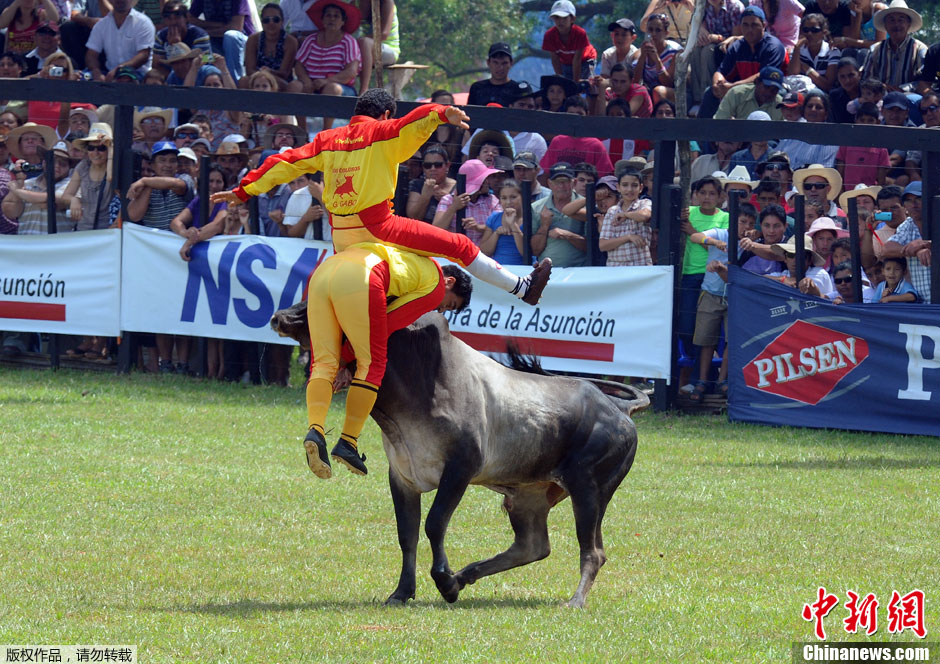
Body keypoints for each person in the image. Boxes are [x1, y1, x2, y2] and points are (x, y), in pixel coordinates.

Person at [212, 89, 551, 304]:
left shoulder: (327, 139)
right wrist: (440, 112)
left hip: (340, 238)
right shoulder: (382, 132)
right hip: (377, 227)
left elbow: (284, 162)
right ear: (386, 114)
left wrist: (244, 190)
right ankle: (521, 288)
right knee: (458, 248)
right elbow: (410, 124)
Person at [301, 244, 472, 478]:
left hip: (324, 272)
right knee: (372, 363)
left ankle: (315, 430)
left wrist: (342, 363)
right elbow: (387, 324)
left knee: (323, 363)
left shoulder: (413, 259)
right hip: (359, 278)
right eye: (449, 304)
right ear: (449, 282)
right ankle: (348, 441)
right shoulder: (432, 286)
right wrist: (349, 360)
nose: (441, 310)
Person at [686, 204, 756, 400]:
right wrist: (713, 242)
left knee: (730, 340)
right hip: (710, 293)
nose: (746, 227)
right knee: (706, 340)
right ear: (733, 221)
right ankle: (702, 381)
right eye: (742, 222)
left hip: (735, 295)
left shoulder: (750, 243)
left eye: (750, 224)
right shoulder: (720, 234)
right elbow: (694, 237)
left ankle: (723, 381)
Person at [698, 6, 785, 119]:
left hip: (770, 87)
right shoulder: (737, 46)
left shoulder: (773, 46)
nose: (749, 29)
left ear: (763, 25)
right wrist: (717, 85)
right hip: (742, 89)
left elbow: (763, 75)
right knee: (710, 92)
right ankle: (702, 133)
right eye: (745, 25)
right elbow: (721, 71)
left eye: (754, 25)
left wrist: (731, 87)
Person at [433, 158, 501, 245]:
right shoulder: (448, 200)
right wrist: (454, 207)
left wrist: (478, 227)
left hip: (483, 254)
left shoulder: (492, 200)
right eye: (484, 179)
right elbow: (436, 230)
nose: (487, 182)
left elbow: (500, 225)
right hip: (454, 253)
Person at [862, 0, 925, 92]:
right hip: (880, 97)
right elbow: (866, 78)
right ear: (885, 25)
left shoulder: (920, 49)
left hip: (909, 97)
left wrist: (901, 89)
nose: (896, 25)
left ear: (908, 24)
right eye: (891, 20)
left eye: (901, 20)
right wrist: (881, 87)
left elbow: (924, 81)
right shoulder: (875, 49)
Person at [531, 162, 586, 268]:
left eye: (565, 181)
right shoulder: (536, 207)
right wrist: (544, 226)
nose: (561, 186)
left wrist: (567, 235)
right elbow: (535, 251)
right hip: (547, 272)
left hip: (579, 272)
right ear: (549, 183)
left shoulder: (585, 205)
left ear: (573, 183)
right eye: (557, 182)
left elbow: (591, 246)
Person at [61, 122, 114, 231]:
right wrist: (74, 200)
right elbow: (66, 195)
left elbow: (110, 178)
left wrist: (111, 150)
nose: (95, 153)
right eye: (91, 148)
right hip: (83, 228)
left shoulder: (115, 166)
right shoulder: (83, 166)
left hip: (109, 229)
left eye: (101, 148)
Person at [85, 0, 154, 82]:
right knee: (80, 77)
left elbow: (144, 55)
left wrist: (119, 69)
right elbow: (91, 54)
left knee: (124, 79)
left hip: (138, 73)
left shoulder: (144, 23)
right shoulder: (101, 25)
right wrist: (96, 71)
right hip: (110, 73)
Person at [188, 0, 256, 81]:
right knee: (203, 50)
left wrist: (206, 31)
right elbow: (189, 18)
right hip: (215, 41)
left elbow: (236, 27)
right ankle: (211, 81)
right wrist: (214, 25)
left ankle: (235, 82)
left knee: (230, 36)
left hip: (242, 43)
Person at [599, 169, 652, 266]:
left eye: (634, 185)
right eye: (625, 185)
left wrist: (625, 214)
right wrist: (628, 237)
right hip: (615, 268)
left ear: (641, 188)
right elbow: (603, 245)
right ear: (618, 187)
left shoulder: (644, 203)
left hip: (640, 266)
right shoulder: (612, 211)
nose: (629, 189)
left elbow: (644, 216)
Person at [240, 2, 298, 91]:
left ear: (282, 21)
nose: (271, 23)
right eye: (266, 20)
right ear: (262, 22)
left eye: (275, 19)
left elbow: (285, 73)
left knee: (294, 86)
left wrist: (269, 73)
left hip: (280, 80)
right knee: (243, 81)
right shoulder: (253, 40)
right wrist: (261, 76)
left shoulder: (290, 42)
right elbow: (249, 70)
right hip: (256, 78)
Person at [835, 103, 889, 189]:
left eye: (870, 121)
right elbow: (839, 174)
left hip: (869, 196)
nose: (865, 124)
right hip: (847, 194)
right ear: (856, 121)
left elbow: (881, 181)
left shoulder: (881, 148)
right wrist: (840, 194)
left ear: (878, 122)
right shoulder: (846, 144)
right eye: (862, 120)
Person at [542, 0, 596, 83]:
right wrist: (561, 81)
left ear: (572, 19)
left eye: (564, 17)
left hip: (586, 60)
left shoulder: (580, 33)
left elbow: (577, 59)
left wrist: (576, 82)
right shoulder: (549, 35)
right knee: (565, 86)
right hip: (566, 62)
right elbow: (555, 60)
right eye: (557, 17)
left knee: (585, 85)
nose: (560, 21)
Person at [153, 0, 211, 73]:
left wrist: (177, 45)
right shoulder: (161, 35)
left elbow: (201, 61)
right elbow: (156, 64)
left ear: (186, 18)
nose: (173, 22)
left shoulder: (200, 35)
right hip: (172, 74)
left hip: (201, 72)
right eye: (169, 18)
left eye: (177, 18)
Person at [633, 12, 679, 103]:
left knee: (658, 91)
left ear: (666, 33)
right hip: (649, 91)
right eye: (650, 29)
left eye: (658, 30)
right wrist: (642, 57)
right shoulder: (639, 53)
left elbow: (669, 83)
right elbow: (635, 82)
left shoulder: (675, 52)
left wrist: (657, 60)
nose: (653, 34)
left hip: (673, 94)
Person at [788, 13, 840, 92]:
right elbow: (793, 73)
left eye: (814, 30)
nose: (809, 33)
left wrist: (805, 67)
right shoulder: (796, 50)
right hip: (799, 91)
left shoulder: (832, 51)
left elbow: (827, 85)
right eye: (806, 30)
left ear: (824, 32)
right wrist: (797, 48)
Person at [479, 179, 526, 265]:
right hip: (499, 270)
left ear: (522, 197)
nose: (508, 202)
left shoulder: (529, 219)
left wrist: (513, 225)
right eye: (504, 198)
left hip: (523, 269)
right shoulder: (494, 218)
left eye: (513, 197)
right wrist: (496, 233)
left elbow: (526, 252)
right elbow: (485, 252)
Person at [406, 143, 454, 224]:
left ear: (447, 166)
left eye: (438, 165)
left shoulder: (456, 187)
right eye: (428, 165)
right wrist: (425, 196)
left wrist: (448, 200)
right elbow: (413, 217)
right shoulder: (417, 184)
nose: (433, 169)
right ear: (423, 168)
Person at [713, 65, 785, 119]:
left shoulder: (780, 105)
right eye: (766, 87)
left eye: (774, 90)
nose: (769, 92)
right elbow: (720, 121)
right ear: (757, 82)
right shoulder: (736, 94)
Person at [467, 42, 518, 107]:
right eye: (495, 62)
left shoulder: (517, 90)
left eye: (504, 63)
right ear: (488, 62)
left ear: (511, 63)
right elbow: (469, 114)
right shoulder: (477, 88)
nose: (500, 67)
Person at [599, 18, 639, 88]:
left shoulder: (636, 55)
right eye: (616, 34)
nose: (619, 38)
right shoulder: (607, 54)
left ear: (633, 38)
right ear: (612, 36)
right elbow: (605, 77)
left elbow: (635, 81)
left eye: (624, 35)